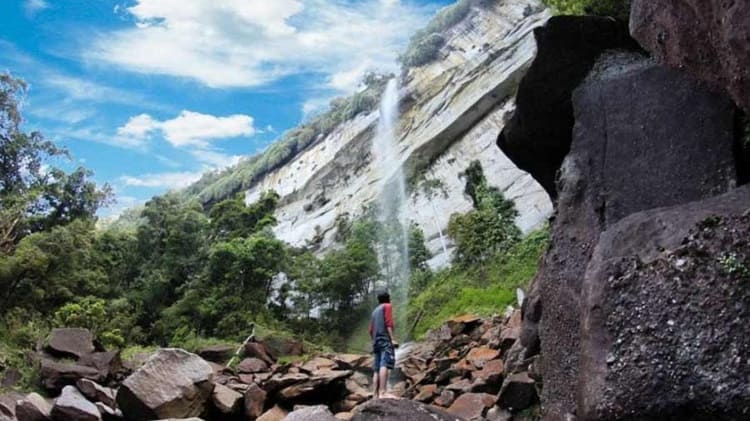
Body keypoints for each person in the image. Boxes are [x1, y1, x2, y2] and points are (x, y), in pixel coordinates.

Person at [369, 290, 398, 399]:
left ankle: (375, 394)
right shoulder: (387, 306)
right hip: (385, 339)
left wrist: (374, 342)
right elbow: (388, 323)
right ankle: (383, 392)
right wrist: (393, 339)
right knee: (384, 364)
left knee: (377, 368)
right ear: (388, 298)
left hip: (376, 341)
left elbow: (371, 330)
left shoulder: (375, 311)